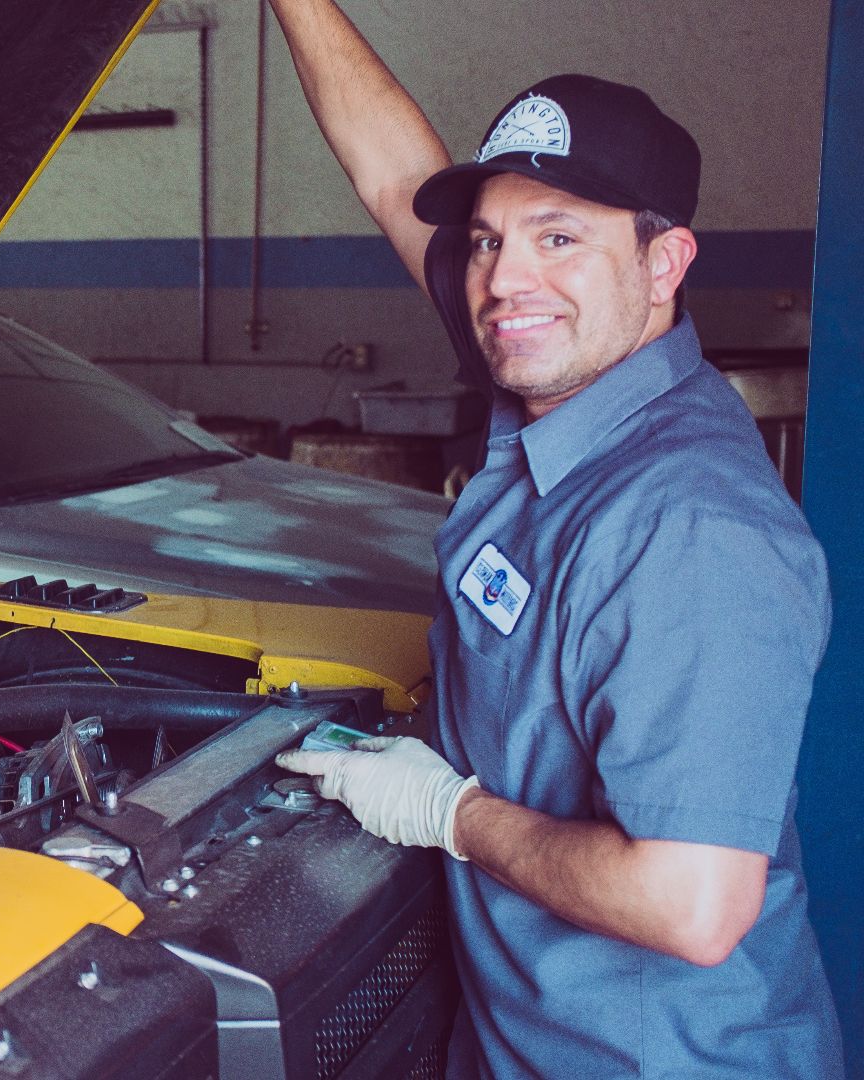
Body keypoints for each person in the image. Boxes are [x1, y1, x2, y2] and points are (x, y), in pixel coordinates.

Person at [263, 2, 845, 1076]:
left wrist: (450, 812)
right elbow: (395, 179)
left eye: (560, 236)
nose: (502, 280)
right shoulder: (566, 382)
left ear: (665, 262)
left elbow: (695, 905)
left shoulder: (690, 531)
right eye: (488, 238)